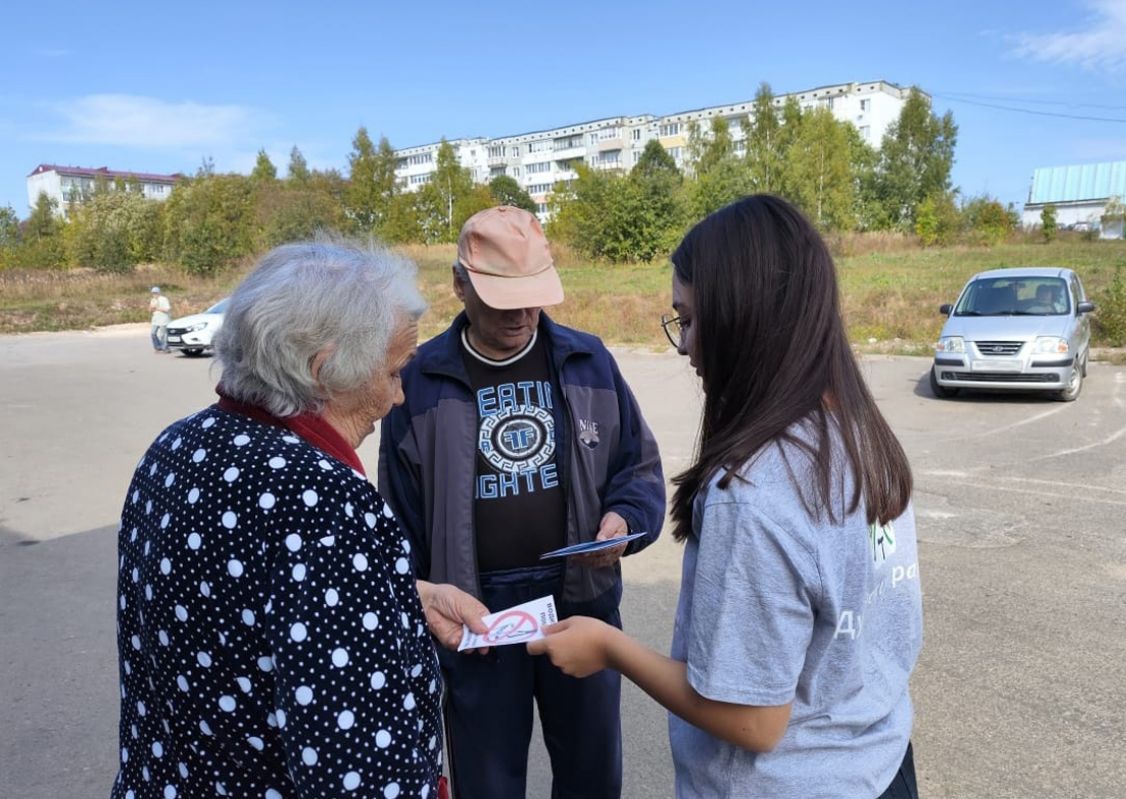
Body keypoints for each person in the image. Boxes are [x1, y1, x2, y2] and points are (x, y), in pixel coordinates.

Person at [530, 195, 924, 799]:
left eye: (687, 319)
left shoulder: (755, 492)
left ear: (743, 318)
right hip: (880, 764)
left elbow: (753, 720)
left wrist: (609, 647)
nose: (684, 345)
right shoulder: (855, 432)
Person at [111, 241, 489, 799]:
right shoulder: (322, 498)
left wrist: (396, 598)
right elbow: (357, 768)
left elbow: (242, 607)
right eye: (392, 372)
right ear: (322, 371)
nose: (399, 395)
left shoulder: (177, 445)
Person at [378, 206, 666, 799]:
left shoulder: (589, 361)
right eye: (502, 297)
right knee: (487, 781)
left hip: (579, 601)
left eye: (534, 294)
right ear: (460, 284)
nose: (522, 313)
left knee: (592, 776)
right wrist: (421, 603)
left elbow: (637, 471)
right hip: (473, 614)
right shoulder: (419, 380)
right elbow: (399, 519)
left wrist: (627, 523)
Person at [149, 286, 171, 353]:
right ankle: (157, 346)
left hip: (163, 320)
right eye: (153, 293)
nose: (154, 294)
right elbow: (150, 310)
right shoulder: (152, 300)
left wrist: (157, 308)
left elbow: (167, 309)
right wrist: (151, 308)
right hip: (155, 320)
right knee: (153, 333)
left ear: (159, 292)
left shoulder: (164, 299)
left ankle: (165, 347)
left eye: (155, 293)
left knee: (162, 335)